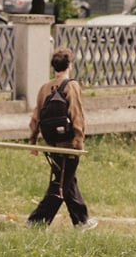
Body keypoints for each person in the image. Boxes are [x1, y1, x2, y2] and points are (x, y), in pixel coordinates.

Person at [27, 47, 97, 230]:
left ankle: (81, 221)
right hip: (68, 144)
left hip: (52, 144)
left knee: (67, 180)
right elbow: (76, 114)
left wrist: (33, 142)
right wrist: (78, 141)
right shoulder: (71, 86)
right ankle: (36, 221)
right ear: (69, 65)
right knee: (60, 186)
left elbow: (36, 117)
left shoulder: (44, 88)